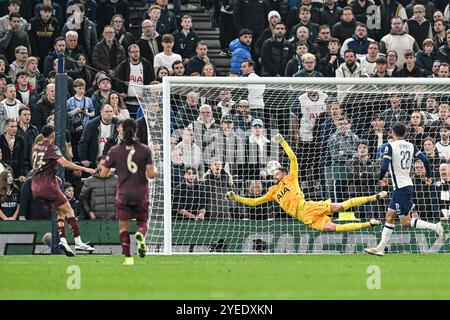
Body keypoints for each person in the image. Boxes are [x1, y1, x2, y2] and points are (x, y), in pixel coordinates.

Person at [227, 133, 385, 232]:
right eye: (274, 172)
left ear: (283, 172)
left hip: (307, 206)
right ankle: (369, 223)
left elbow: (293, 158)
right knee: (332, 228)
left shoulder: (291, 178)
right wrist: (236, 198)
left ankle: (374, 197)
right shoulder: (272, 192)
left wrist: (282, 141)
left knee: (339, 206)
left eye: (278, 171)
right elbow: (254, 202)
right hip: (304, 218)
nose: (275, 174)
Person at [365, 122, 445, 256]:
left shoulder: (390, 146)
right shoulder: (411, 146)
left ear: (392, 133)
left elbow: (384, 166)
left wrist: (380, 178)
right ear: (405, 133)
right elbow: (425, 160)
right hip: (405, 185)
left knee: (405, 222)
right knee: (389, 217)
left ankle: (435, 226)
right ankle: (380, 248)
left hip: (401, 188)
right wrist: (429, 177)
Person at [31, 125, 96, 256]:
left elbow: (40, 167)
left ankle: (63, 241)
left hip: (35, 188)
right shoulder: (52, 148)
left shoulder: (36, 146)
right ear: (53, 135)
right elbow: (65, 163)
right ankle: (78, 242)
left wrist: (53, 176)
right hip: (48, 187)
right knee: (70, 210)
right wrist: (85, 169)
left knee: (61, 213)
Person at [100, 118, 157, 266]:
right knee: (142, 222)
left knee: (123, 226)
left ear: (122, 130)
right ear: (136, 130)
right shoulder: (145, 149)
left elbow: (103, 174)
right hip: (141, 191)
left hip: (123, 193)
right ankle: (139, 235)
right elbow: (151, 175)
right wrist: (154, 169)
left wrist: (115, 169)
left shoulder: (114, 150)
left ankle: (128, 258)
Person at [79, 155, 117, 220]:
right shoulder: (90, 181)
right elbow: (83, 199)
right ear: (98, 165)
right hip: (96, 220)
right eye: (103, 164)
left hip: (115, 219)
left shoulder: (117, 180)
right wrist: (90, 213)